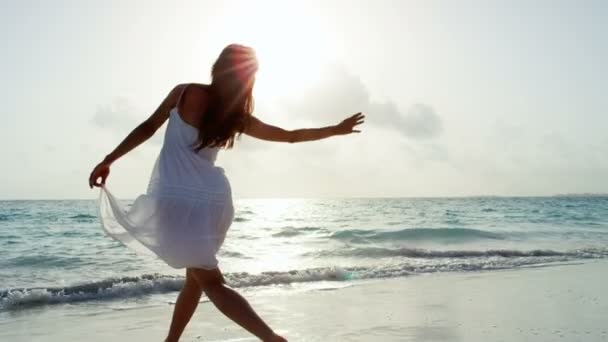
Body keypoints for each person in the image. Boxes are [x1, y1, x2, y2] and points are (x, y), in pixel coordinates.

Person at [88, 44, 365, 342]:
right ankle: (171, 341)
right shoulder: (235, 116)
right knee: (195, 279)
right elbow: (290, 137)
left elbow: (147, 128)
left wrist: (109, 159)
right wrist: (335, 130)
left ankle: (271, 338)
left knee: (212, 282)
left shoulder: (184, 93)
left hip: (177, 201)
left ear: (218, 68)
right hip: (215, 203)